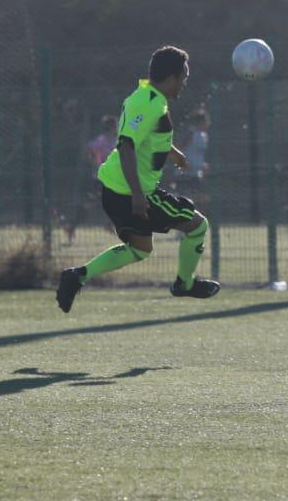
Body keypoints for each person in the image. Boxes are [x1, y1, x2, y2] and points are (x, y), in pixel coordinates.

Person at [55, 46, 219, 314]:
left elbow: (148, 139)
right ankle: (185, 284)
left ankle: (77, 276)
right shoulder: (150, 103)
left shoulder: (147, 95)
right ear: (171, 78)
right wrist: (139, 196)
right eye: (184, 77)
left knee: (140, 249)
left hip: (114, 189)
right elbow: (127, 146)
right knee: (199, 226)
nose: (185, 83)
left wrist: (174, 155)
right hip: (132, 192)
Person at [67, 115, 121, 245]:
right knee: (117, 202)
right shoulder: (102, 141)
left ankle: (72, 226)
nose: (117, 127)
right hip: (101, 179)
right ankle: (107, 224)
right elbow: (88, 149)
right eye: (115, 125)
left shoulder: (117, 140)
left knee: (93, 204)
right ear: (111, 127)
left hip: (113, 179)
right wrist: (96, 163)